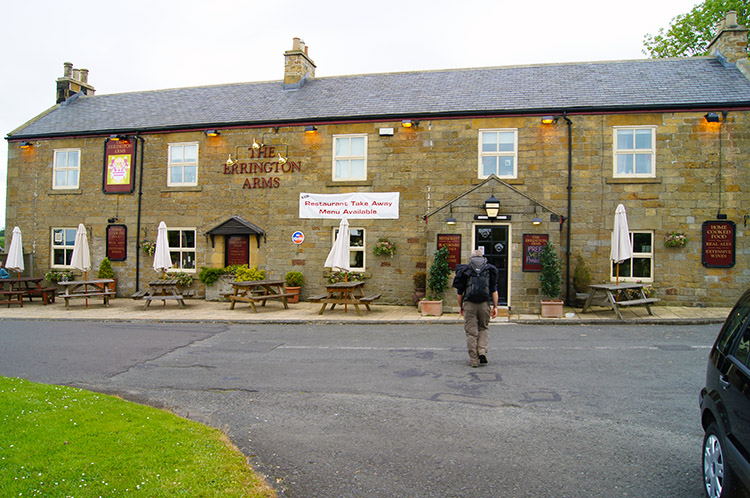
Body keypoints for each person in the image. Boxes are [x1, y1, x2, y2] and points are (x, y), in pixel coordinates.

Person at [452, 249, 499, 367]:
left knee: (471, 333)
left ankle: (474, 360)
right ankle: (482, 351)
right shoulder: (488, 270)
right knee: (483, 328)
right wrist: (495, 307)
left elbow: (459, 292)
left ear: (471, 259)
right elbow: (494, 290)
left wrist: (460, 306)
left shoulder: (466, 270)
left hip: (469, 304)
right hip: (484, 303)